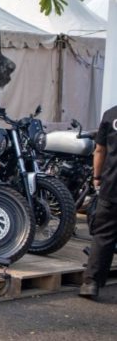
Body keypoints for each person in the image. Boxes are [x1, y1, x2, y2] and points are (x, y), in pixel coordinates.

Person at [79, 104, 117, 298]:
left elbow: (100, 150)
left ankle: (91, 283)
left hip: (112, 184)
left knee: (103, 235)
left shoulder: (111, 114)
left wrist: (97, 177)